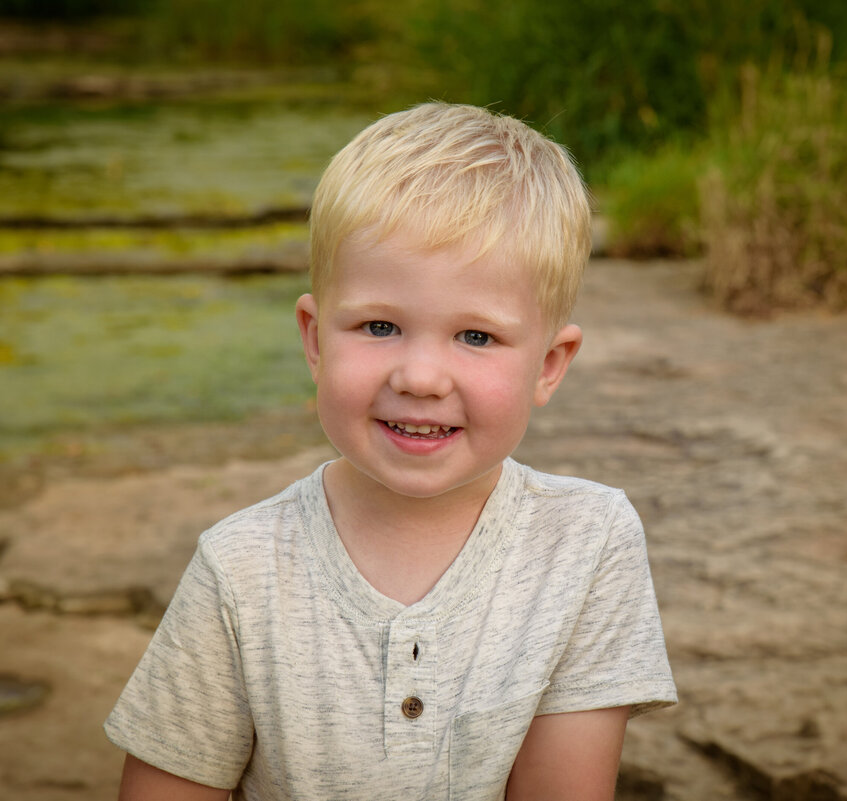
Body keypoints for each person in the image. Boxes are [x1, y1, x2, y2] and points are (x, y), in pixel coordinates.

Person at [105, 102, 676, 801]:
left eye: (476, 337)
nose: (420, 378)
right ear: (315, 339)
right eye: (380, 325)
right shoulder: (241, 570)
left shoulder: (586, 544)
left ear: (549, 365)